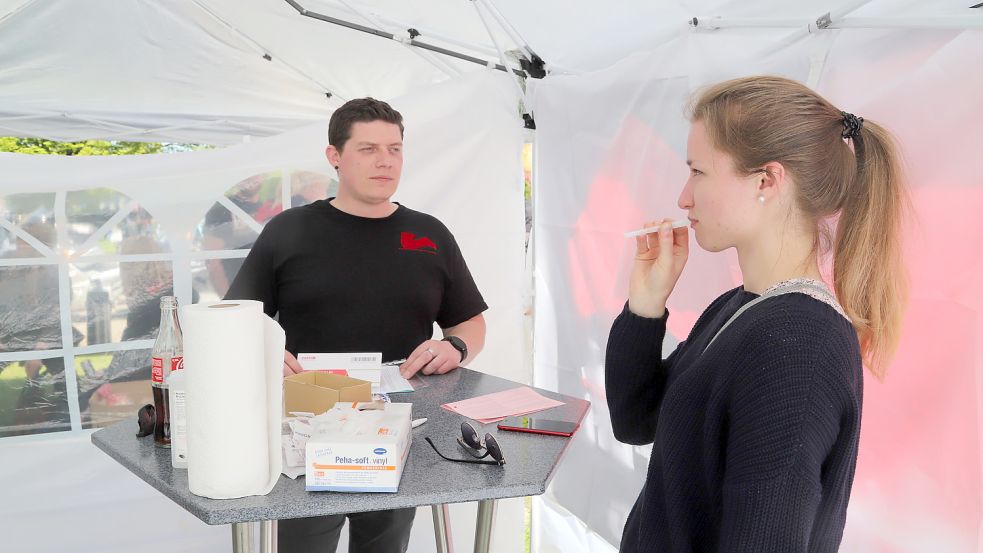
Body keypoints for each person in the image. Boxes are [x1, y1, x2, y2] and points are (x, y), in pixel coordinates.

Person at [605, 75, 908, 553]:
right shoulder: (740, 308)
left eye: (699, 172)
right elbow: (635, 420)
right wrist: (646, 306)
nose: (684, 197)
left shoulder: (799, 344)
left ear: (767, 180)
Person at [225, 97, 488, 553]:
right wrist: (264, 352)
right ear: (335, 156)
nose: (385, 160)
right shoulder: (289, 231)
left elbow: (469, 321)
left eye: (395, 148)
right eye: (368, 149)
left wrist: (457, 347)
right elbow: (237, 321)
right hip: (305, 426)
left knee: (384, 546)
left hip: (398, 424)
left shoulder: (430, 234)